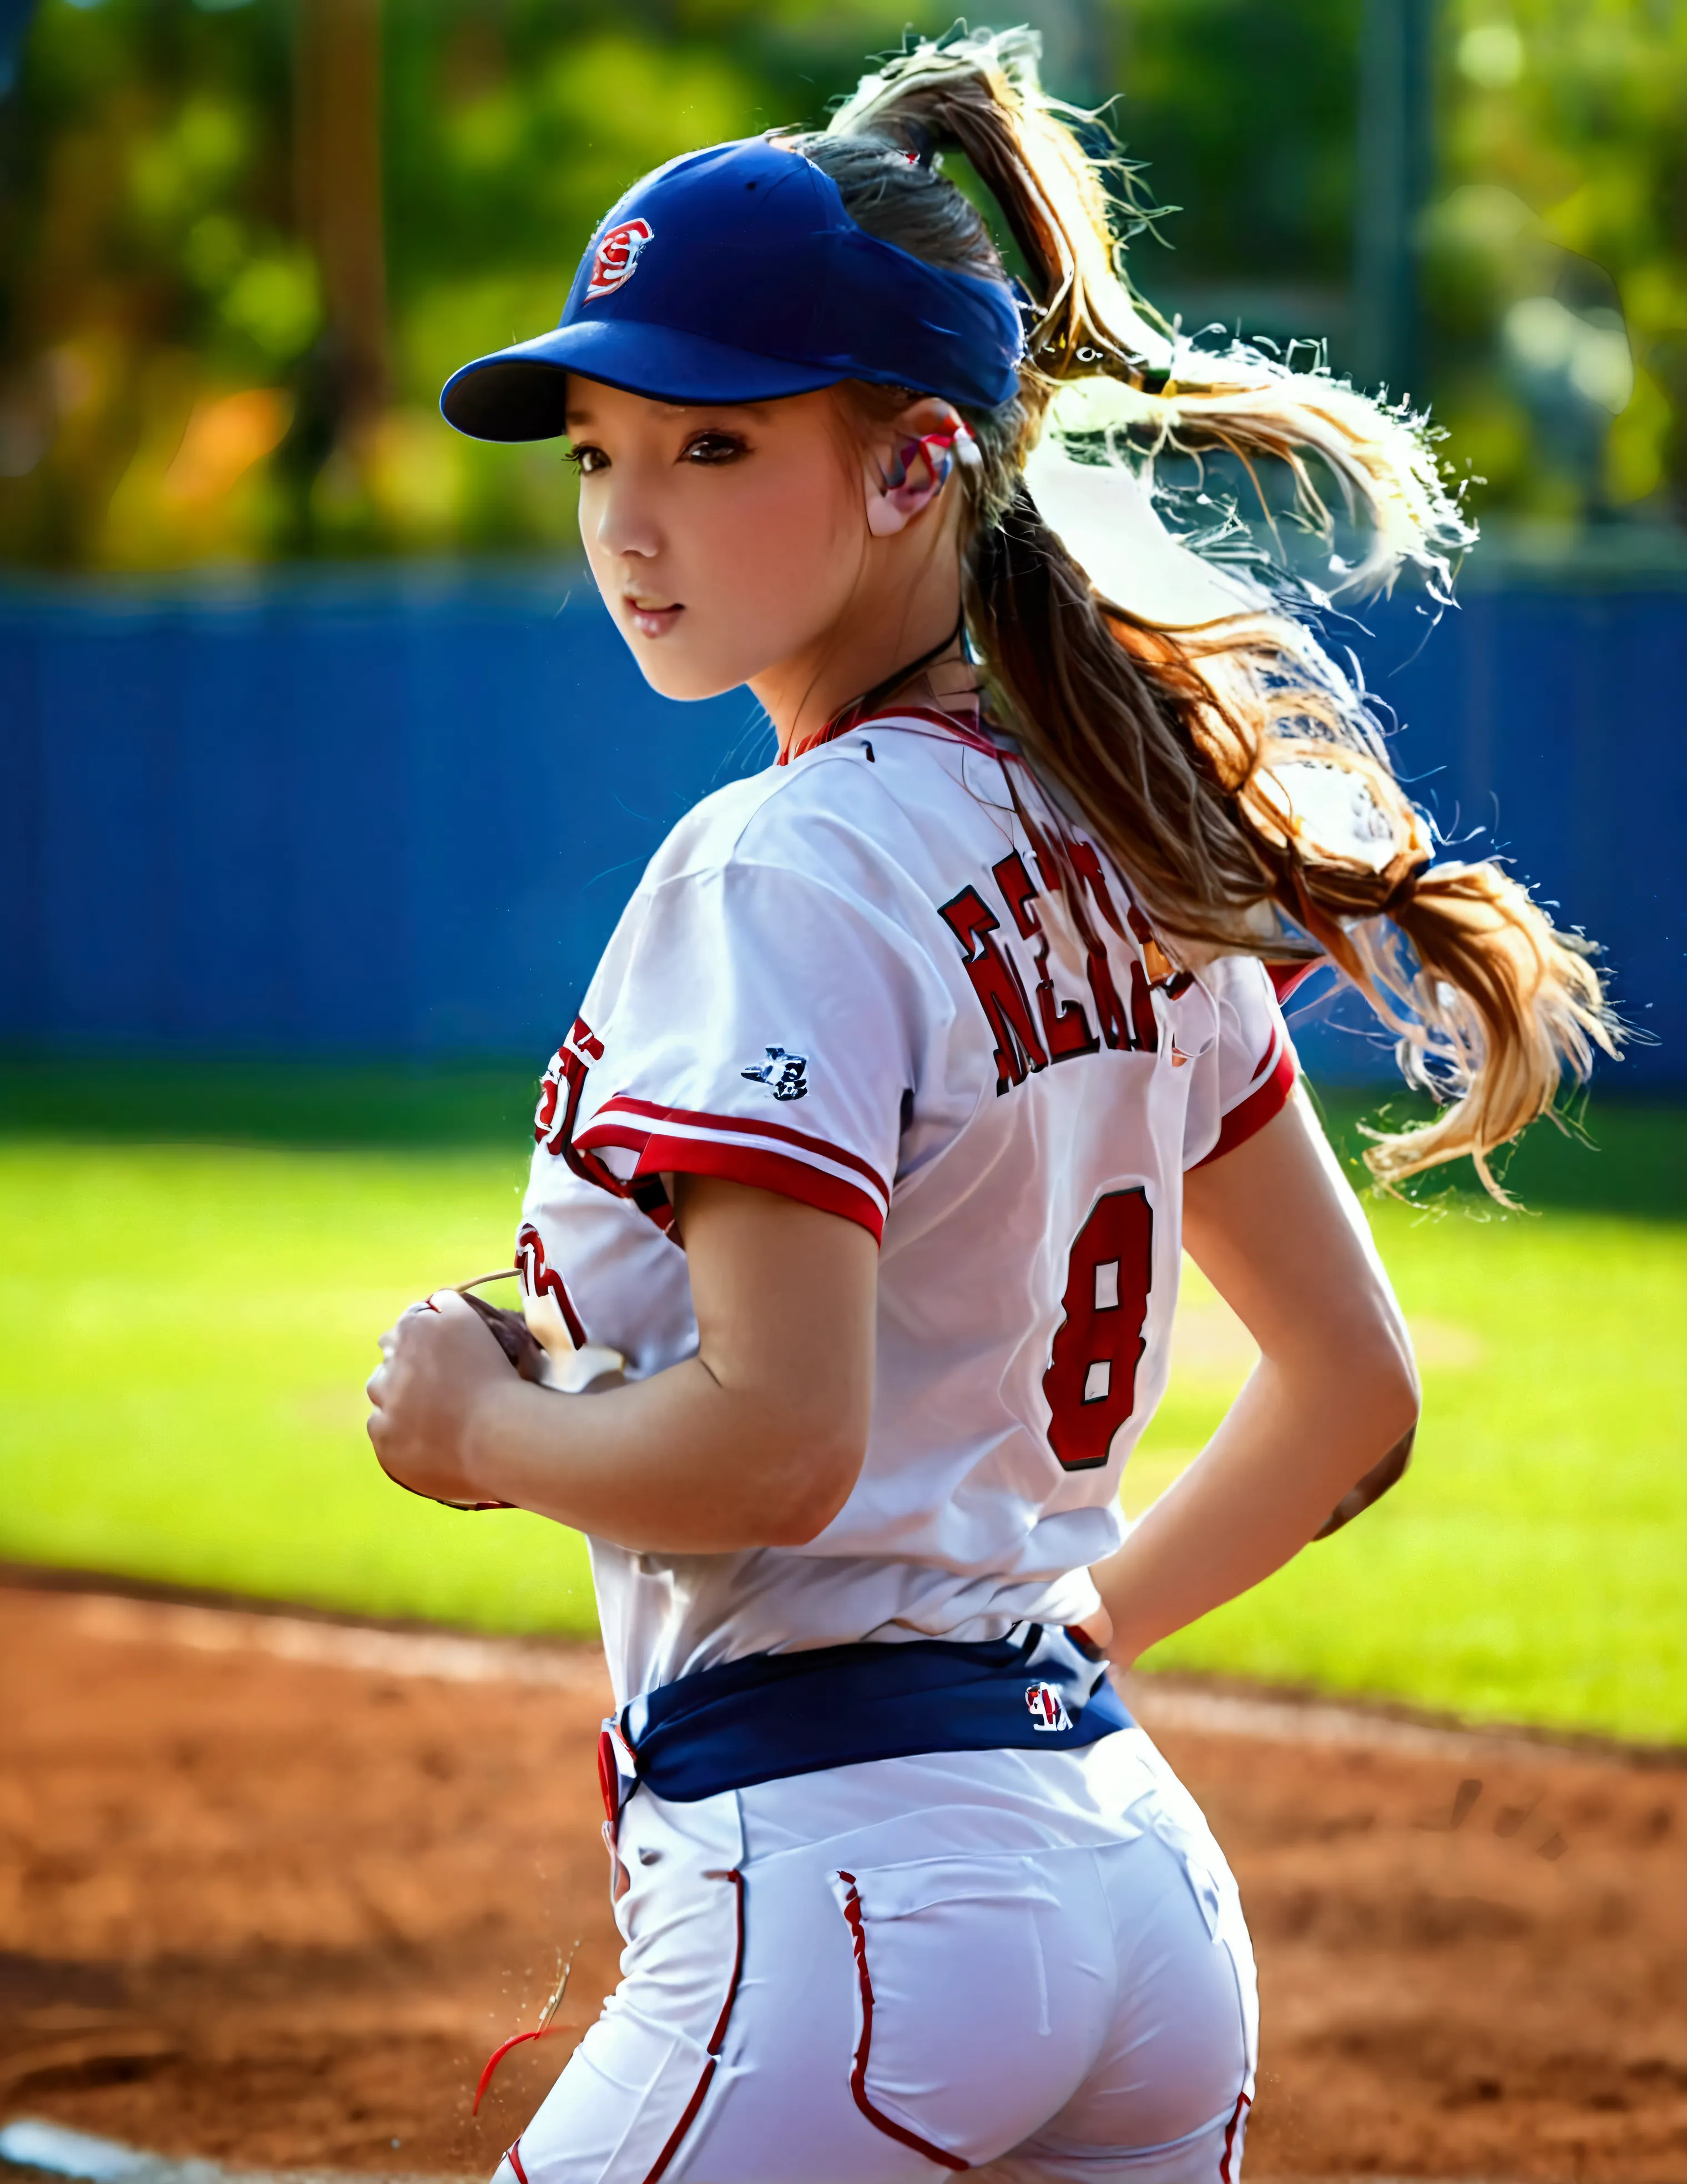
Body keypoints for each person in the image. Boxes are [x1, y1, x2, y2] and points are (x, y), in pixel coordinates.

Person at [365, 30, 1614, 2183]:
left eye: (712, 444)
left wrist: (479, 1438)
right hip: (1121, 1872)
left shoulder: (784, 860)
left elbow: (778, 1442)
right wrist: (1027, 1650)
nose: (629, 522)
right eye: (594, 453)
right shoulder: (1121, 854)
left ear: (913, 463)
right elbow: (1351, 1397)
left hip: (848, 1899)